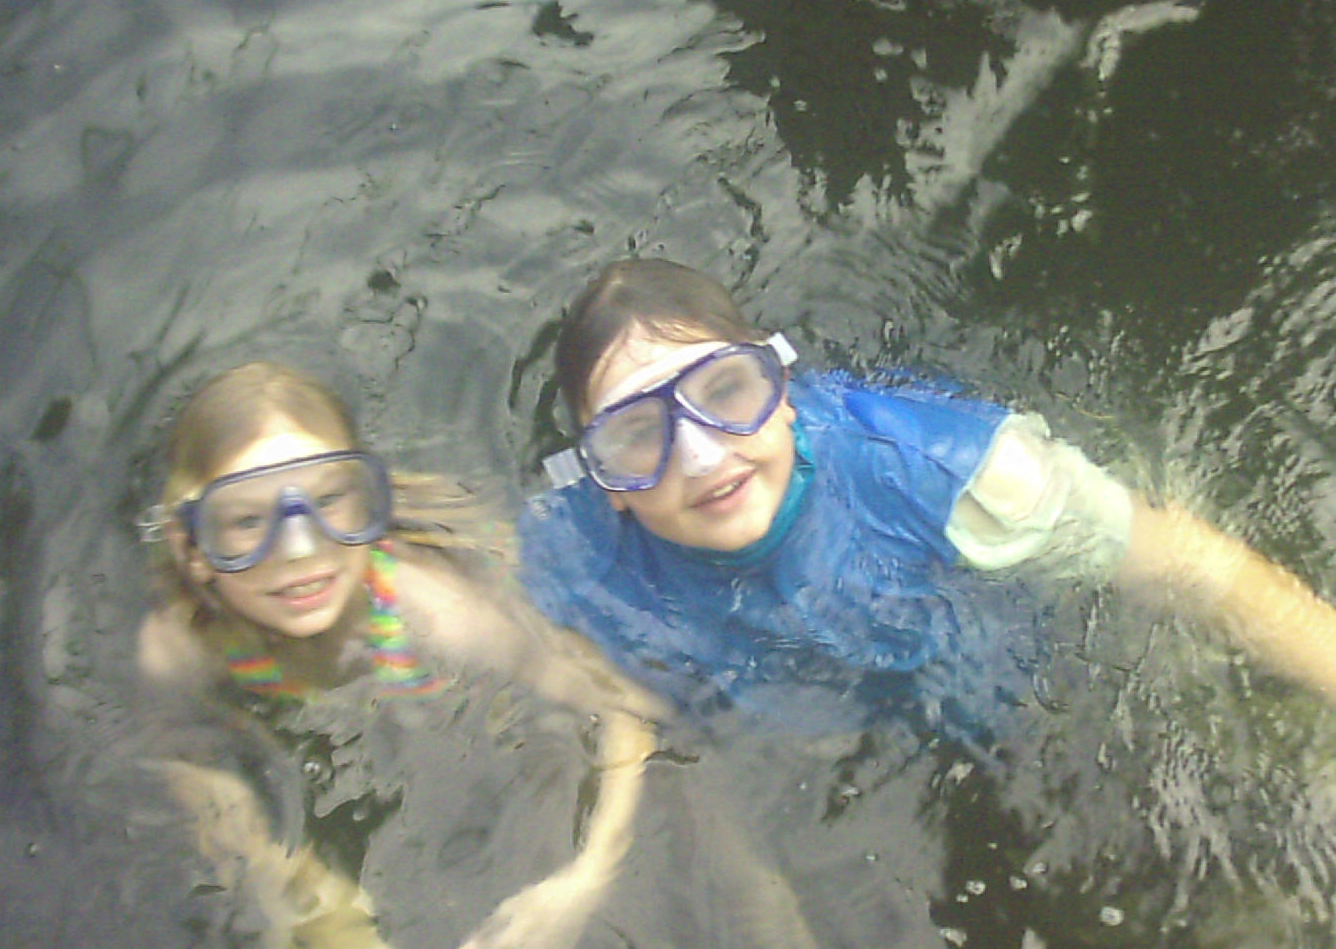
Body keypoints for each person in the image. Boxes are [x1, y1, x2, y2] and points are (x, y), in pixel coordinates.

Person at [517, 257, 1336, 725]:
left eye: (725, 391)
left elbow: (1189, 565)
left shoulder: (943, 469)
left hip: (1017, 684)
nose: (699, 458)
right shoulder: (574, 553)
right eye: (637, 435)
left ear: (782, 387)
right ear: (602, 481)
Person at [134, 361, 665, 949]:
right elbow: (169, 747)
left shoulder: (431, 606)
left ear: (364, 500)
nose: (300, 550)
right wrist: (269, 858)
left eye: (327, 500)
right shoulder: (182, 641)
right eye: (246, 520)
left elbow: (624, 706)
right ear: (192, 548)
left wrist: (586, 879)